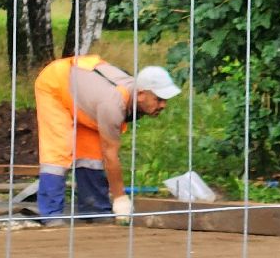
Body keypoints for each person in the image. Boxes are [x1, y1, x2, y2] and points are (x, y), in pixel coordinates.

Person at [32, 56, 180, 221]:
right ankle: (51, 215)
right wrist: (120, 199)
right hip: (56, 84)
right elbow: (110, 155)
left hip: (86, 94)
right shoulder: (113, 104)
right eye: (158, 99)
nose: (163, 105)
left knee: (91, 155)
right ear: (141, 94)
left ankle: (94, 211)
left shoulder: (130, 96)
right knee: (57, 153)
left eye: (165, 100)